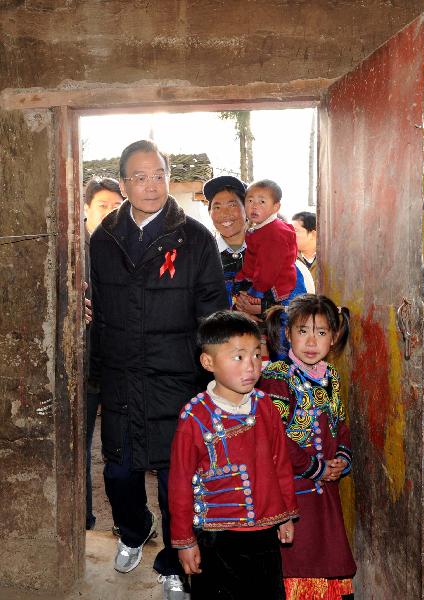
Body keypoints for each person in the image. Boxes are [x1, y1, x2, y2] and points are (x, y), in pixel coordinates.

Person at [89, 140, 227, 598]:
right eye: (141, 177)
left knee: (176, 481)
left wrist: (210, 368)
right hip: (122, 374)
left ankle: (173, 560)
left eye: (160, 174)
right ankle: (133, 530)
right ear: (125, 183)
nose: (152, 186)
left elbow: (213, 309)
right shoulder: (103, 239)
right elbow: (92, 301)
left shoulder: (195, 238)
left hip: (177, 377)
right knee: (120, 473)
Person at [168, 310, 298, 600]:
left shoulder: (266, 407)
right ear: (208, 362)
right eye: (238, 357)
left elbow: (281, 464)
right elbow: (179, 484)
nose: (251, 366)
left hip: (264, 535)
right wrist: (185, 541)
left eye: (256, 354)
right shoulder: (195, 417)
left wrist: (286, 515)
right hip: (217, 539)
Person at [259, 294, 356, 600]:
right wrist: (315, 467)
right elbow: (274, 438)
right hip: (292, 489)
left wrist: (341, 456)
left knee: (326, 552)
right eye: (303, 331)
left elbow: (340, 424)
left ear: (334, 338)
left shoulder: (332, 377)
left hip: (324, 491)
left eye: (322, 332)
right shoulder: (277, 376)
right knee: (297, 558)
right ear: (288, 334)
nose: (312, 341)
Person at [83, 176, 123, 530]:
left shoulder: (122, 246)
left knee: (118, 447)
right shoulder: (71, 247)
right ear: (85, 209)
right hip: (79, 366)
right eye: (102, 206)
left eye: (116, 206)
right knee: (77, 444)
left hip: (115, 364)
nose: (110, 213)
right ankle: (82, 519)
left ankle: (128, 524)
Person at [234, 179, 298, 307]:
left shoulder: (274, 233)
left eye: (262, 202)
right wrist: (241, 278)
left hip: (274, 287)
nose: (254, 206)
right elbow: (252, 260)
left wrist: (257, 291)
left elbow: (268, 268)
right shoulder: (260, 228)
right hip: (260, 280)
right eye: (250, 200)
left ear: (276, 207)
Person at [203, 175, 248, 307]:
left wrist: (264, 308)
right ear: (209, 213)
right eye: (217, 207)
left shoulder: (269, 250)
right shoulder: (202, 255)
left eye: (232, 205)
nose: (224, 213)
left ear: (246, 209)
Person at [291, 212, 317, 285]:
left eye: (295, 231)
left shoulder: (329, 258)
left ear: (313, 234)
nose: (290, 234)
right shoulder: (289, 258)